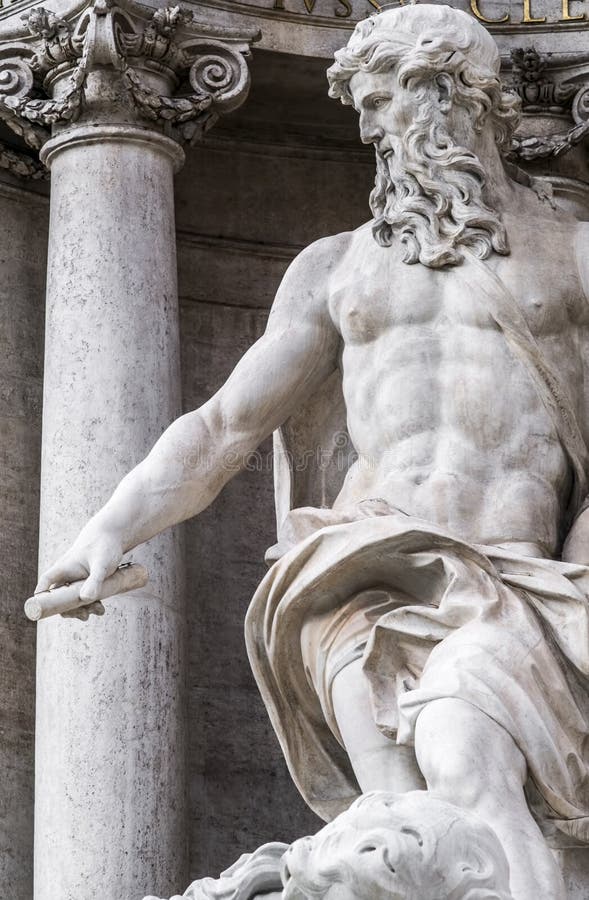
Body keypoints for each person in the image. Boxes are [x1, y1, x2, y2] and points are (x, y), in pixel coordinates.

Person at [37, 6, 589, 897]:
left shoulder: (573, 259)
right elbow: (224, 426)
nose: (371, 132)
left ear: (456, 96)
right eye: (361, 110)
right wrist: (108, 529)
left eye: (383, 103)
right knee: (390, 835)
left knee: (465, 763)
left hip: (514, 583)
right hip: (352, 577)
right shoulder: (335, 268)